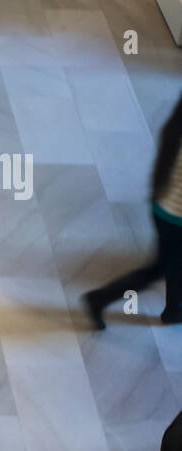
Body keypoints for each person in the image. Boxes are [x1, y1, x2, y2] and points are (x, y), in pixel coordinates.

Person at [84, 92, 182, 329]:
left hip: (163, 207)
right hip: (176, 217)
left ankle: (173, 310)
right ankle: (99, 298)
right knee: (157, 269)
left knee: (172, 263)